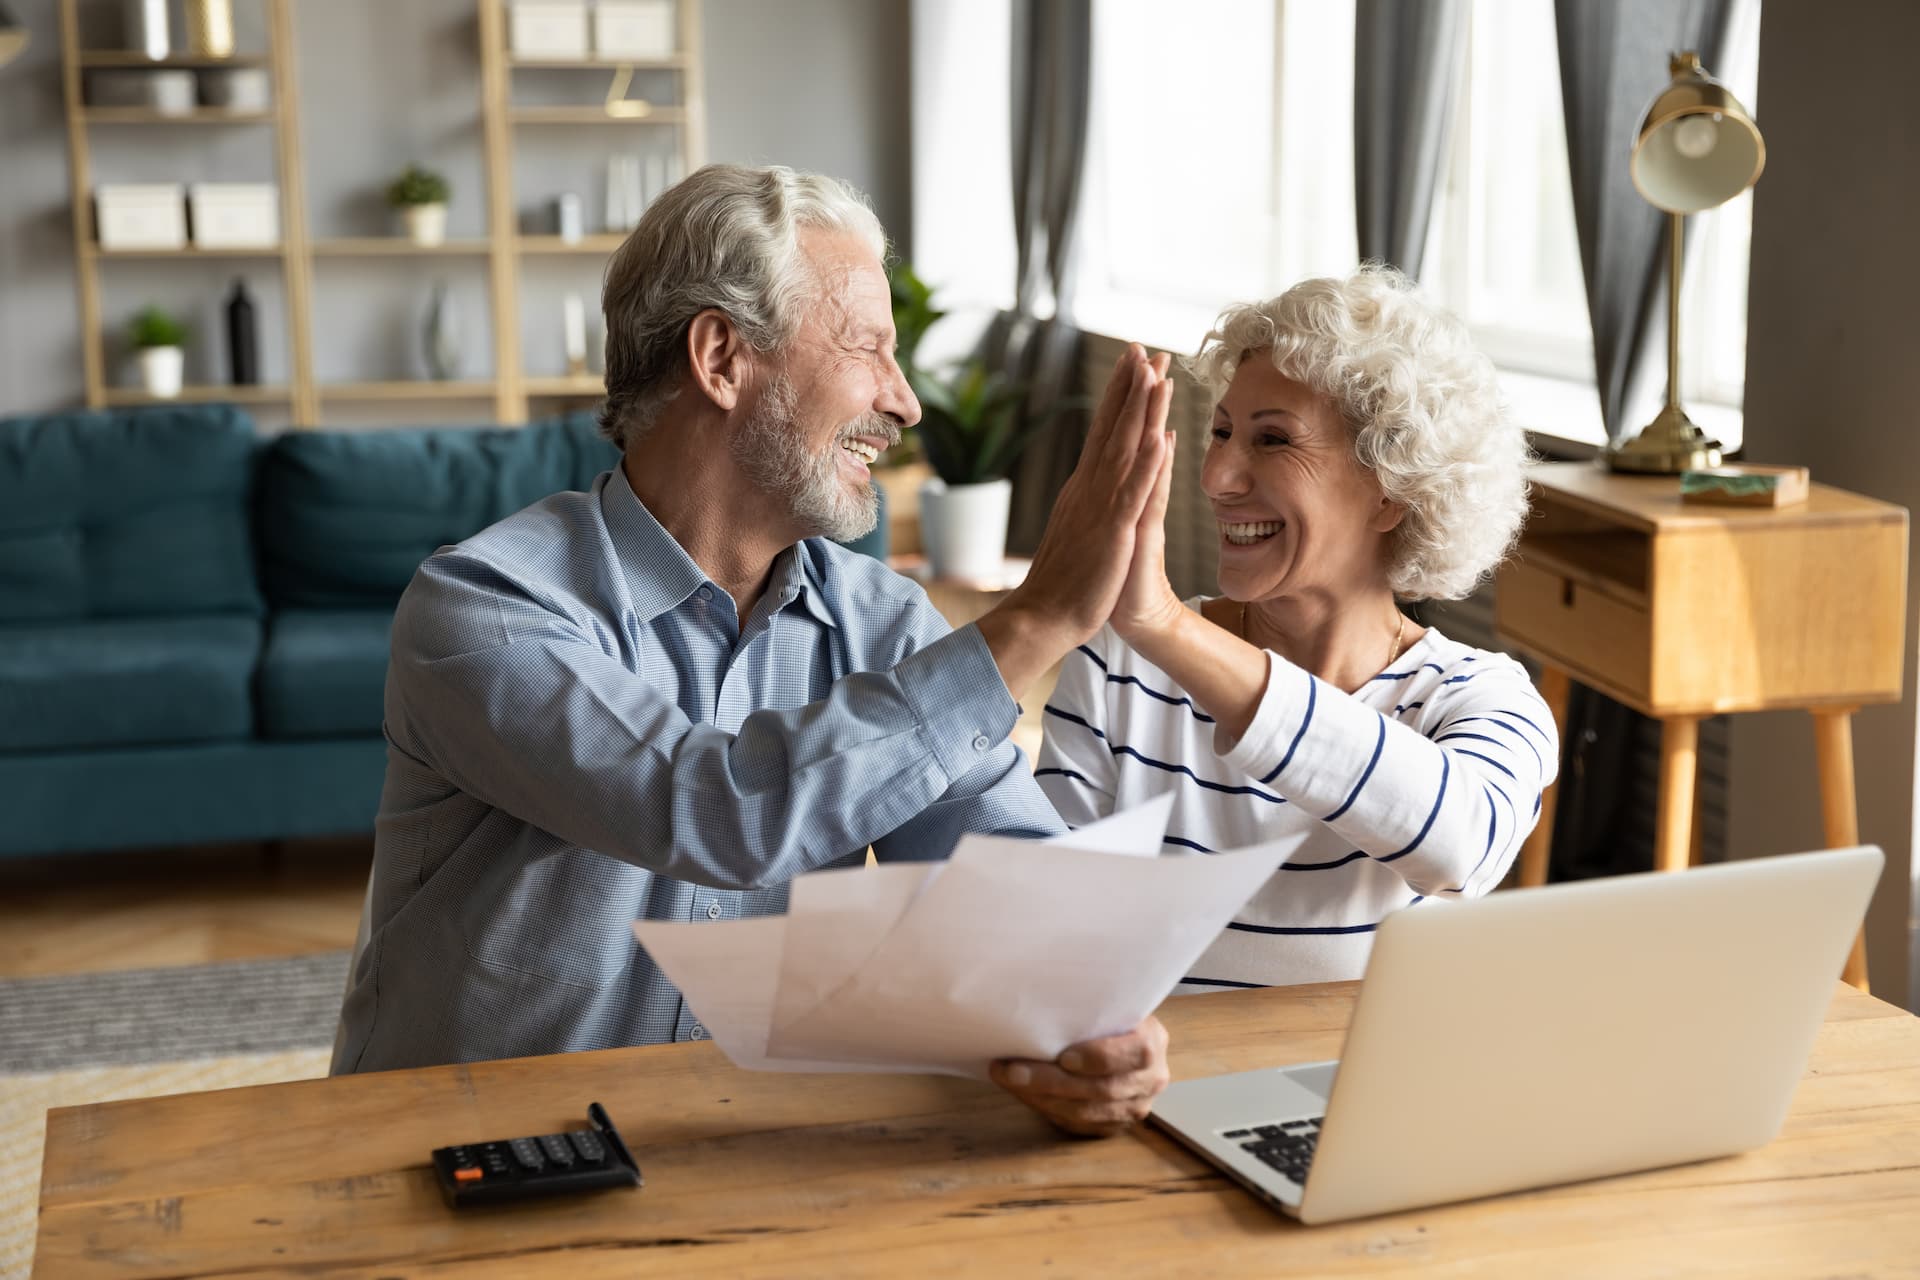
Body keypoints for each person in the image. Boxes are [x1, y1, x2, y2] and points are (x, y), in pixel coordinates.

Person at [333, 164, 1175, 1137]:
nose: (903, 404)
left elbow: (1003, 876)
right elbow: (713, 809)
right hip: (459, 1158)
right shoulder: (485, 607)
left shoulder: (883, 623)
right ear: (722, 357)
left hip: (726, 1148)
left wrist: (1086, 1012)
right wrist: (1034, 621)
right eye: (869, 348)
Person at [1036, 266, 1557, 990]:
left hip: (1367, 1095)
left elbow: (1460, 847)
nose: (1218, 476)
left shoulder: (1480, 698)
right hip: (1153, 1087)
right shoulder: (1122, 663)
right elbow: (1047, 928)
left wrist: (1165, 627)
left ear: (1391, 491)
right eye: (1220, 432)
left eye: (1273, 441)